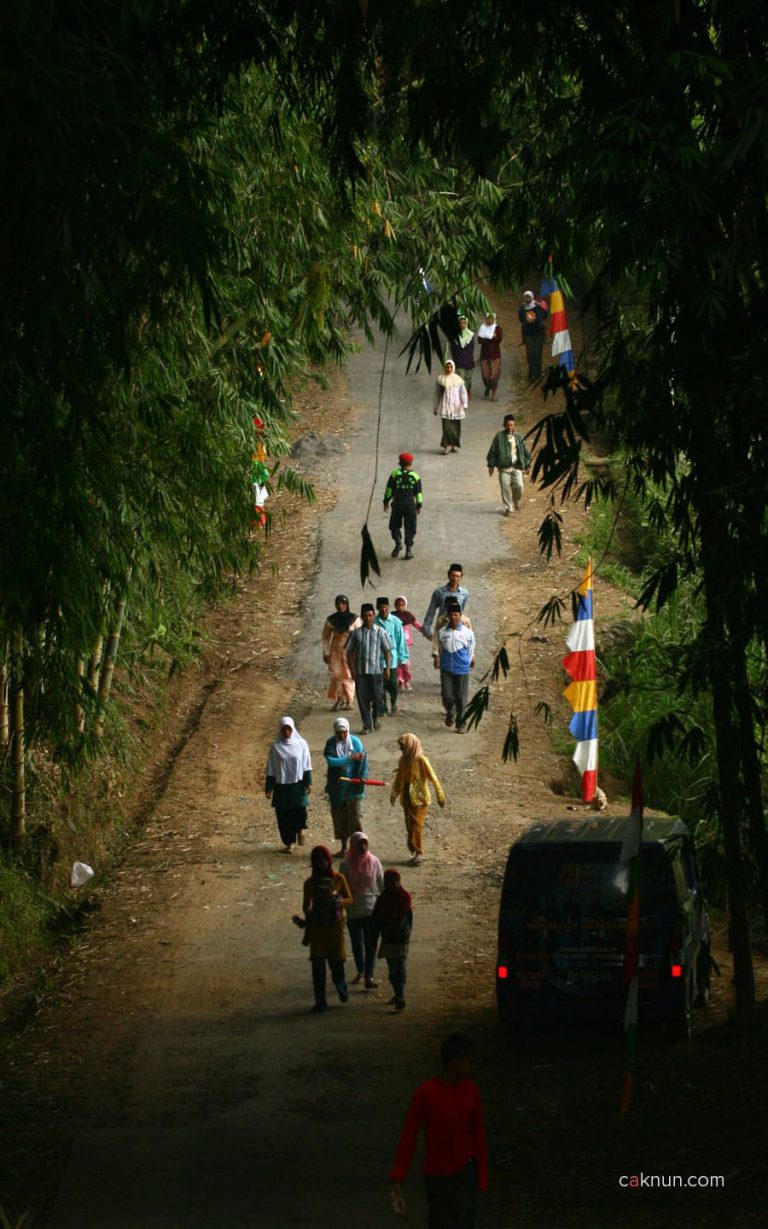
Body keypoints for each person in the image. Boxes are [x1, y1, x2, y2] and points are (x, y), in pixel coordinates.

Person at [389, 1034, 488, 1228]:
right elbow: (409, 1135)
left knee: (464, 1216)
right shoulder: (426, 1093)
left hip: (464, 1168)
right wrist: (399, 1173)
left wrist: (482, 1173)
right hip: (437, 1173)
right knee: (441, 1220)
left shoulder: (471, 1092)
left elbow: (478, 1135)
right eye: (468, 1060)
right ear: (455, 1061)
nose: (471, 1066)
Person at [298, 845, 353, 1013]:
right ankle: (320, 1002)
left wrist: (339, 903)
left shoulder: (339, 878)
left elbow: (350, 898)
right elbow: (306, 905)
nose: (321, 862)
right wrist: (312, 914)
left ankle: (341, 986)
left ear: (329, 860)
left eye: (324, 859)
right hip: (317, 931)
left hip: (334, 930)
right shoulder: (309, 883)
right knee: (318, 968)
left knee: (337, 965)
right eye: (317, 859)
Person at [390, 733, 445, 866]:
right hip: (407, 798)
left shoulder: (421, 760)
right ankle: (415, 850)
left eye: (403, 746)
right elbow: (399, 779)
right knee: (409, 825)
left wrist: (440, 795)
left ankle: (419, 852)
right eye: (400, 746)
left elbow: (434, 778)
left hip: (420, 799)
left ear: (410, 746)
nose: (401, 749)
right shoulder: (403, 761)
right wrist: (394, 794)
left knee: (417, 825)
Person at [340, 831, 383, 989]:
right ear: (353, 845)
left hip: (371, 909)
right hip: (353, 911)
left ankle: (368, 975)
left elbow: (381, 884)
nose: (363, 846)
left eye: (365, 843)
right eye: (359, 844)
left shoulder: (374, 862)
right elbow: (340, 888)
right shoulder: (345, 865)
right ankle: (361, 971)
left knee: (370, 945)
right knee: (357, 944)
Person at [265, 716, 312, 852]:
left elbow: (306, 764)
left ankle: (300, 829)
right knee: (283, 816)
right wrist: (269, 787)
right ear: (280, 730)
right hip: (281, 786)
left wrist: (308, 782)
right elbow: (271, 768)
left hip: (297, 784)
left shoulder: (301, 744)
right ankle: (289, 842)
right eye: (284, 730)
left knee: (299, 810)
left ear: (293, 729)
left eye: (289, 730)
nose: (287, 733)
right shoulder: (276, 747)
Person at [323, 717, 367, 858]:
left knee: (355, 817)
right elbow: (331, 762)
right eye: (339, 733)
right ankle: (344, 847)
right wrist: (349, 758)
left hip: (353, 787)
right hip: (337, 788)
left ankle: (361, 848)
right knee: (340, 817)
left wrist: (362, 777)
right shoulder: (330, 744)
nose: (342, 736)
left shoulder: (356, 743)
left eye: (344, 732)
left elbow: (363, 762)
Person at [371, 868, 412, 1011]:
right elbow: (377, 919)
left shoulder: (404, 897)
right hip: (390, 938)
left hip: (400, 938)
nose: (393, 884)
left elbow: (401, 916)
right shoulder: (384, 899)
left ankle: (400, 995)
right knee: (393, 970)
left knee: (399, 967)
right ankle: (398, 994)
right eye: (389, 882)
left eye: (395, 881)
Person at [346, 603, 392, 733]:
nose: (368, 618)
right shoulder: (356, 634)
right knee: (362, 699)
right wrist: (352, 670)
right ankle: (367, 725)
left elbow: (387, 651)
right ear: (362, 617)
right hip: (360, 672)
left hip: (376, 671)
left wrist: (387, 668)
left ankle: (376, 716)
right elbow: (349, 652)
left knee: (378, 697)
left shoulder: (380, 633)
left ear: (374, 616)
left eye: (370, 615)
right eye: (365, 616)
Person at [433, 600, 476, 733]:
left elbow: (471, 648)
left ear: (460, 615)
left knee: (461, 697)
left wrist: (468, 661)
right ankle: (450, 711)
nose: (453, 617)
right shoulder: (441, 632)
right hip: (446, 669)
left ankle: (461, 724)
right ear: (448, 615)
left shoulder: (467, 632)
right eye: (451, 615)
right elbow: (439, 647)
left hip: (462, 669)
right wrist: (437, 659)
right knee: (447, 696)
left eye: (456, 614)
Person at [486, 413, 533, 515]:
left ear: (514, 425)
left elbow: (526, 453)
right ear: (504, 425)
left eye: (512, 425)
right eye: (508, 425)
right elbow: (492, 452)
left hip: (516, 467)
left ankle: (516, 500)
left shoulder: (519, 437)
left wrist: (528, 465)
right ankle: (508, 508)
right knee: (505, 488)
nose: (510, 427)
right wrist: (491, 465)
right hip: (504, 469)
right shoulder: (498, 437)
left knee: (519, 486)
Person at [321, 595, 361, 710]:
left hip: (350, 653)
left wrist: (358, 654)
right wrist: (326, 652)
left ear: (347, 604)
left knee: (349, 676)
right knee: (336, 676)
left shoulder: (355, 619)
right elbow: (325, 637)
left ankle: (349, 701)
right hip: (335, 652)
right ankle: (339, 699)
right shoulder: (331, 620)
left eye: (343, 603)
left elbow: (360, 637)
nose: (340, 606)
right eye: (338, 603)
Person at [383, 452, 423, 560]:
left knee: (394, 525)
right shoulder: (415, 476)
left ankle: (398, 542)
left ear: (400, 462)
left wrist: (385, 501)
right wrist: (419, 506)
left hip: (397, 504)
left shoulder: (394, 474)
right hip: (410, 505)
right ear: (411, 463)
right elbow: (418, 493)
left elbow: (389, 490)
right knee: (410, 527)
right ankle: (408, 551)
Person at [375, 596, 408, 717]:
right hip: (377, 660)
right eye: (381, 607)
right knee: (380, 686)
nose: (383, 609)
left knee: (392, 684)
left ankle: (394, 703)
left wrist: (403, 658)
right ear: (377, 608)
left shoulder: (395, 622)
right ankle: (383, 707)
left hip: (392, 660)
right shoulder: (373, 622)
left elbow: (401, 641)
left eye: (385, 607)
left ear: (388, 607)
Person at [421, 563, 469, 639]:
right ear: (448, 575)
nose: (455, 578)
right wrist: (427, 629)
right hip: (442, 625)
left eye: (457, 576)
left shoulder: (464, 593)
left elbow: (461, 610)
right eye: (453, 576)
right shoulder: (439, 592)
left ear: (461, 576)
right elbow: (431, 611)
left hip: (457, 628)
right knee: (440, 649)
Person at [433, 358, 468, 454]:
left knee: (456, 427)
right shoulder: (441, 380)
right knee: (446, 427)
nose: (449, 369)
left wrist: (464, 404)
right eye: (447, 367)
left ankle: (453, 445)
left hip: (456, 407)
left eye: (451, 367)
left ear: (453, 368)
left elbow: (463, 393)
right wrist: (435, 407)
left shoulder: (458, 380)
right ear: (444, 368)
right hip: (445, 407)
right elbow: (437, 394)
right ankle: (446, 446)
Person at [518, 289, 549, 380]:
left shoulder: (537, 306)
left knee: (537, 353)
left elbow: (546, 315)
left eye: (529, 297)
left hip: (538, 333)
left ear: (532, 298)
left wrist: (540, 306)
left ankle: (537, 373)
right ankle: (532, 372)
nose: (527, 298)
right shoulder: (522, 308)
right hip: (528, 333)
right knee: (530, 353)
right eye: (525, 297)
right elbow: (520, 319)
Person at [393, 596, 422, 692]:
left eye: (402, 605)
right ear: (395, 606)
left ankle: (405, 680)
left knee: (405, 663)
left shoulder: (408, 615)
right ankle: (401, 681)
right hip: (395, 643)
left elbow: (416, 624)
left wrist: (426, 632)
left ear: (405, 605)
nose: (400, 607)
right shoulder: (392, 616)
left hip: (405, 643)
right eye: (398, 605)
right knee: (398, 663)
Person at [477, 311, 503, 401]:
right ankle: (488, 387)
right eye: (488, 318)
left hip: (495, 355)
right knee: (485, 375)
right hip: (484, 354)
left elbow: (499, 339)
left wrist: (488, 338)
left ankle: (494, 394)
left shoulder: (497, 328)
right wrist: (491, 338)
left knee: (494, 375)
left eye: (491, 319)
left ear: (494, 319)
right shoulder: (483, 328)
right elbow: (480, 340)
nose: (489, 320)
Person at [450, 313, 475, 398]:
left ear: (466, 323)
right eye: (460, 323)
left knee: (468, 379)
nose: (462, 324)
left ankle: (468, 390)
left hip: (468, 361)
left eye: (464, 323)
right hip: (459, 360)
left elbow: (472, 348)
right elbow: (452, 348)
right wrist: (455, 359)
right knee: (461, 378)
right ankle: (462, 395)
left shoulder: (471, 335)